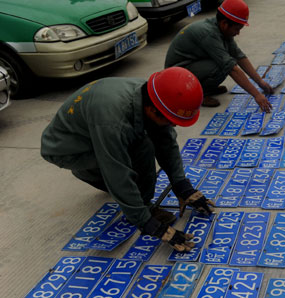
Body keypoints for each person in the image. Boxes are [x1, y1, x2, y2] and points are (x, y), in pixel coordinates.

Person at [41, 67, 214, 253]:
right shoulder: (113, 122)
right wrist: (148, 223)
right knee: (137, 149)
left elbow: (166, 142)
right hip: (68, 149)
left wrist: (182, 186)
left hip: (95, 129)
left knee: (145, 140)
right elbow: (117, 172)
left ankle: (134, 199)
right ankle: (96, 177)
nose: (172, 126)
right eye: (171, 121)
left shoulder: (154, 95)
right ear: (151, 110)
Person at [164, 0, 273, 110]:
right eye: (237, 29)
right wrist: (257, 95)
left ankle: (206, 87)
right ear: (225, 24)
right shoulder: (209, 34)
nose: (238, 33)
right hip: (176, 78)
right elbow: (231, 68)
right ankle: (200, 94)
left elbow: (238, 55)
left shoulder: (222, 29)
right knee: (221, 66)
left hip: (190, 66)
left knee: (226, 60)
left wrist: (260, 81)